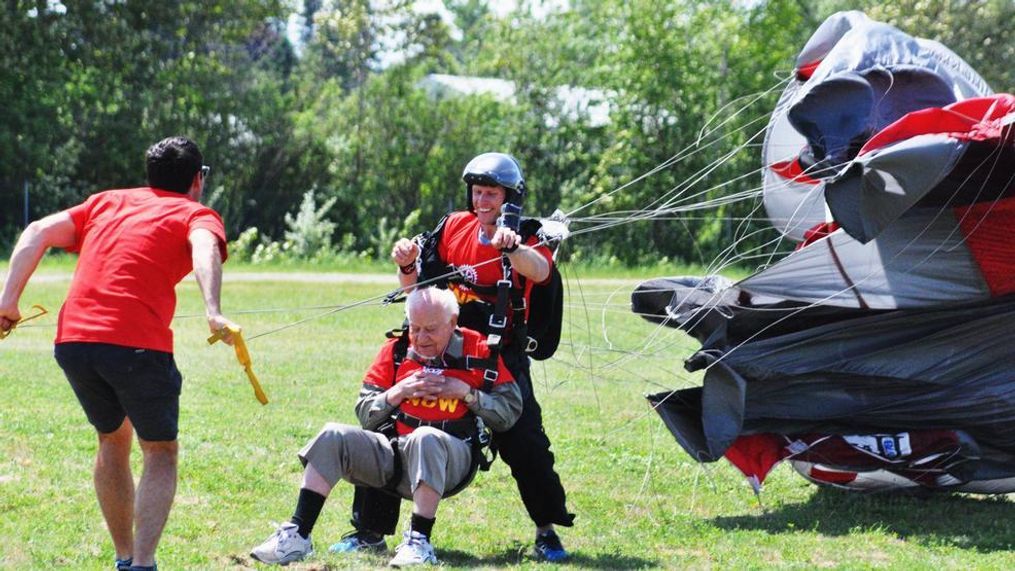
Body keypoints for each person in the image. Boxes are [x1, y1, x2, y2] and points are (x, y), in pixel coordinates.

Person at [0, 136, 236, 571]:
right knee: (160, 450)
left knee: (112, 438)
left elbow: (36, 232)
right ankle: (143, 564)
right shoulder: (196, 212)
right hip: (136, 345)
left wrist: (7, 303)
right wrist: (213, 311)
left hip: (73, 343)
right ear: (198, 180)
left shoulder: (106, 202)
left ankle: (125, 559)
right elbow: (204, 247)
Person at [336, 152, 574, 562]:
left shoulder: (529, 234)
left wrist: (513, 247)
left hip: (500, 355)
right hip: (445, 349)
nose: (483, 202)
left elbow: (539, 271)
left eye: (492, 194)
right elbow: (418, 292)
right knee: (394, 425)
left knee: (526, 442)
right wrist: (407, 265)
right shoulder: (453, 227)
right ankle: (370, 531)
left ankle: (546, 531)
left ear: (509, 197)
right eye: (478, 192)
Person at [250, 287, 522, 567]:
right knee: (333, 434)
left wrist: (466, 393)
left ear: (453, 323)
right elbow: (366, 414)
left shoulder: (478, 348)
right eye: (415, 328)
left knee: (425, 437)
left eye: (430, 329)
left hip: (452, 460)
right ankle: (298, 534)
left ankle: (419, 541)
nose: (420, 338)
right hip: (396, 458)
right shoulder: (397, 350)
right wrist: (399, 391)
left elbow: (510, 412)